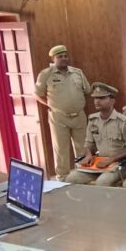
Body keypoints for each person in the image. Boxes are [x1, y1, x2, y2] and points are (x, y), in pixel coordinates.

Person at [35, 45, 91, 181]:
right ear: (53, 59)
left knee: (82, 146)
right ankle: (62, 177)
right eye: (60, 56)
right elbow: (38, 94)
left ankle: (83, 173)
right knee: (61, 149)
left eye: (66, 56)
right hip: (58, 117)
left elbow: (87, 91)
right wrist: (52, 105)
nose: (64, 58)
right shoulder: (46, 74)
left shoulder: (77, 72)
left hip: (79, 115)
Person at [66, 83, 126, 187]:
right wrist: (88, 155)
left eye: (101, 98)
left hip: (118, 164)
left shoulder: (124, 122)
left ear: (112, 100)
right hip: (98, 162)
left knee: (102, 182)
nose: (97, 101)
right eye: (95, 98)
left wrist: (111, 159)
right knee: (71, 178)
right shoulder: (93, 120)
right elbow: (88, 144)